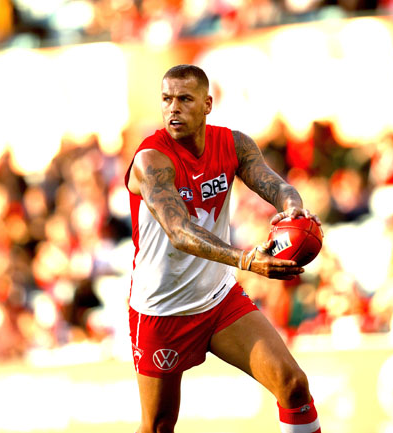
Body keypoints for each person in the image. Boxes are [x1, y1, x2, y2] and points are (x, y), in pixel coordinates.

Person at [125, 64, 322, 433]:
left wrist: (293, 208)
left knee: (293, 385)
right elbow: (181, 232)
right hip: (161, 309)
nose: (173, 108)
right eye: (166, 99)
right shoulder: (149, 160)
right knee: (158, 426)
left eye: (185, 99)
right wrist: (247, 260)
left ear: (207, 104)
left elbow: (276, 185)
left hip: (218, 299)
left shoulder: (233, 144)